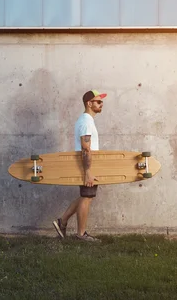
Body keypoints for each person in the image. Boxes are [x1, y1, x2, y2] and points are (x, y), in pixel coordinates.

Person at [52, 89, 106, 241]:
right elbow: (85, 147)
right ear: (89, 103)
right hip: (86, 164)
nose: (101, 104)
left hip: (88, 164)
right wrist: (88, 171)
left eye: (101, 101)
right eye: (98, 101)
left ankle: (62, 221)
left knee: (86, 196)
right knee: (87, 197)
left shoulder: (87, 121)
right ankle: (81, 234)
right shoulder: (86, 122)